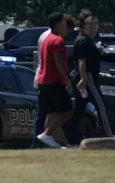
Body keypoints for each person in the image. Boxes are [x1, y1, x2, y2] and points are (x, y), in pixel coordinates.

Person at [65, 10, 113, 143]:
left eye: (95, 25)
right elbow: (82, 61)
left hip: (86, 78)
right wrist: (83, 80)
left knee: (79, 109)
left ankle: (70, 137)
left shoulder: (88, 41)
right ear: (82, 27)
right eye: (90, 26)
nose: (93, 28)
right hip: (88, 77)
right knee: (101, 106)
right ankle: (109, 136)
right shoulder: (83, 41)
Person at [32, 15, 75, 149]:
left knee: (51, 114)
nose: (65, 26)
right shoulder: (57, 40)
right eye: (63, 23)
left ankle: (46, 142)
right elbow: (59, 62)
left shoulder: (46, 39)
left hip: (42, 80)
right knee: (67, 111)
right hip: (53, 80)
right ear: (56, 24)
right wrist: (67, 79)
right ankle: (47, 134)